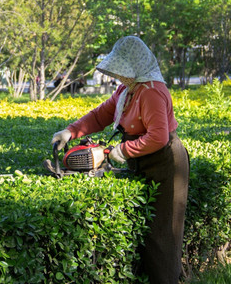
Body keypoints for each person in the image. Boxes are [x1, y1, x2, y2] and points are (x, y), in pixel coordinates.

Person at [51, 36, 189, 284]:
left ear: (136, 67)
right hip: (143, 158)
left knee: (163, 234)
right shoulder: (126, 91)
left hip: (165, 162)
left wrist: (125, 150)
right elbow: (100, 115)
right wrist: (70, 132)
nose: (119, 76)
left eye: (123, 70)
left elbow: (158, 137)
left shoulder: (152, 92)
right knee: (145, 227)